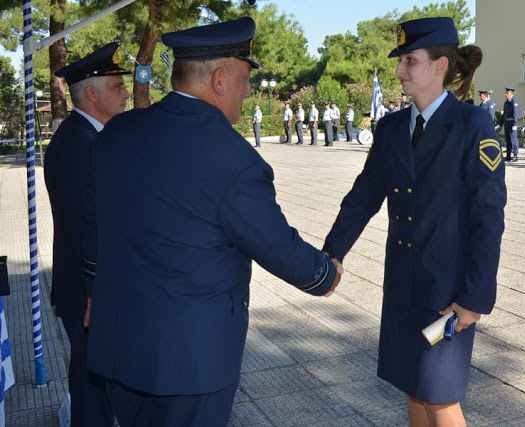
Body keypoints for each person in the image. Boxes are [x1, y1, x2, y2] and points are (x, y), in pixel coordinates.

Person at [81, 18, 342, 426]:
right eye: (244, 78)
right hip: (189, 364)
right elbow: (276, 246)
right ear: (220, 79)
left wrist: (96, 288)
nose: (249, 89)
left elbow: (92, 228)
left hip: (118, 348)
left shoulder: (116, 134)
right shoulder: (234, 158)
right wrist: (324, 273)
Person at [322, 17, 506, 426]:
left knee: (440, 397)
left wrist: (475, 298)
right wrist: (331, 254)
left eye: (410, 60)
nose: (400, 70)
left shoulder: (471, 125)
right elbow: (361, 200)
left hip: (447, 292)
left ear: (441, 65)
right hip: (403, 285)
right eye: (401, 61)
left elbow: (488, 217)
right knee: (413, 387)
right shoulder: (390, 128)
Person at [44, 42, 130, 427]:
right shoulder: (78, 145)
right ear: (91, 93)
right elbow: (86, 226)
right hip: (87, 289)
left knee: (97, 377)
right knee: (92, 383)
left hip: (90, 285)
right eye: (117, 86)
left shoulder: (88, 136)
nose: (126, 92)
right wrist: (98, 292)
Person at [497, 87, 520, 161]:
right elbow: (504, 115)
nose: (506, 94)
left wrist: (515, 124)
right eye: (506, 93)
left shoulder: (514, 102)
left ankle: (515, 155)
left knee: (513, 139)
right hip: (507, 122)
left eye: (508, 93)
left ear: (512, 94)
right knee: (508, 139)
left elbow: (515, 114)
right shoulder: (506, 103)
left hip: (512, 122)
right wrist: (500, 124)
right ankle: (508, 155)